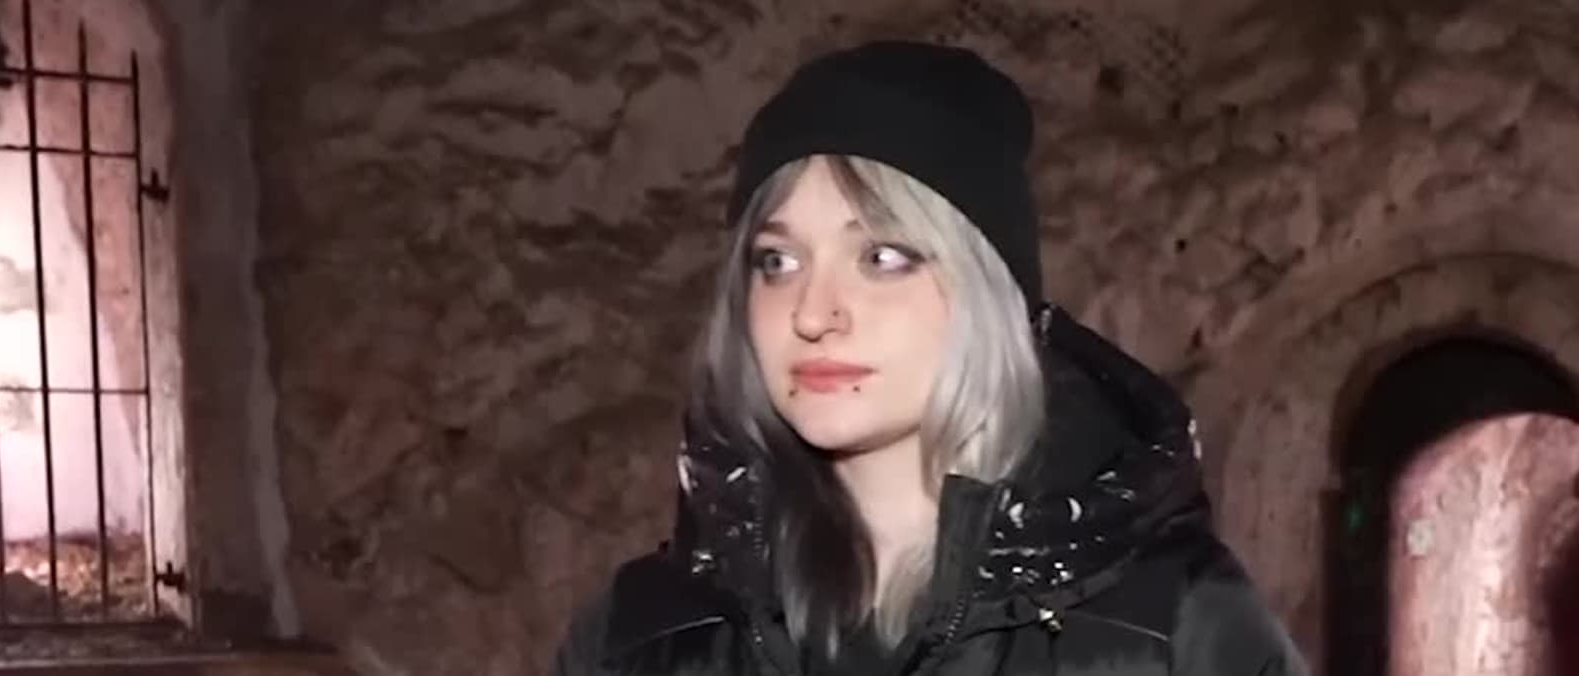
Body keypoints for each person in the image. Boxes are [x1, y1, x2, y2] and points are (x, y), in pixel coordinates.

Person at [553, 40, 1307, 676]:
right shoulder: (638, 635)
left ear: (986, 290)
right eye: (776, 261)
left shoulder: (1175, 628)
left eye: (882, 257)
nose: (812, 313)